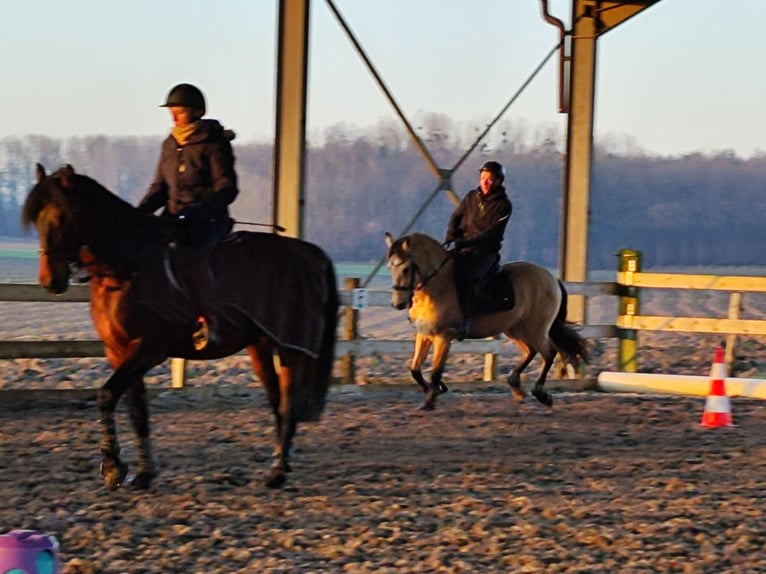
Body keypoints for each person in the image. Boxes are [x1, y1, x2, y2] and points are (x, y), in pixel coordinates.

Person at [138, 83, 239, 351]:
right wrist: (139, 214)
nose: (173, 117)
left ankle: (208, 318)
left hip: (207, 221)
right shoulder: (169, 145)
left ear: (195, 112)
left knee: (191, 257)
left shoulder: (215, 144)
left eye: (178, 111)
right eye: (171, 111)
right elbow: (159, 188)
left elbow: (227, 188)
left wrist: (199, 209)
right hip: (173, 218)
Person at [444, 160, 512, 339]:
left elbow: (490, 234)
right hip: (462, 247)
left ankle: (465, 320)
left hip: (485, 252)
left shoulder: (504, 206)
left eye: (490, 179)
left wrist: (465, 243)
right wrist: (451, 236)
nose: (485, 182)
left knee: (470, 276)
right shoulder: (470, 197)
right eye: (483, 178)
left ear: (498, 181)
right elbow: (456, 217)